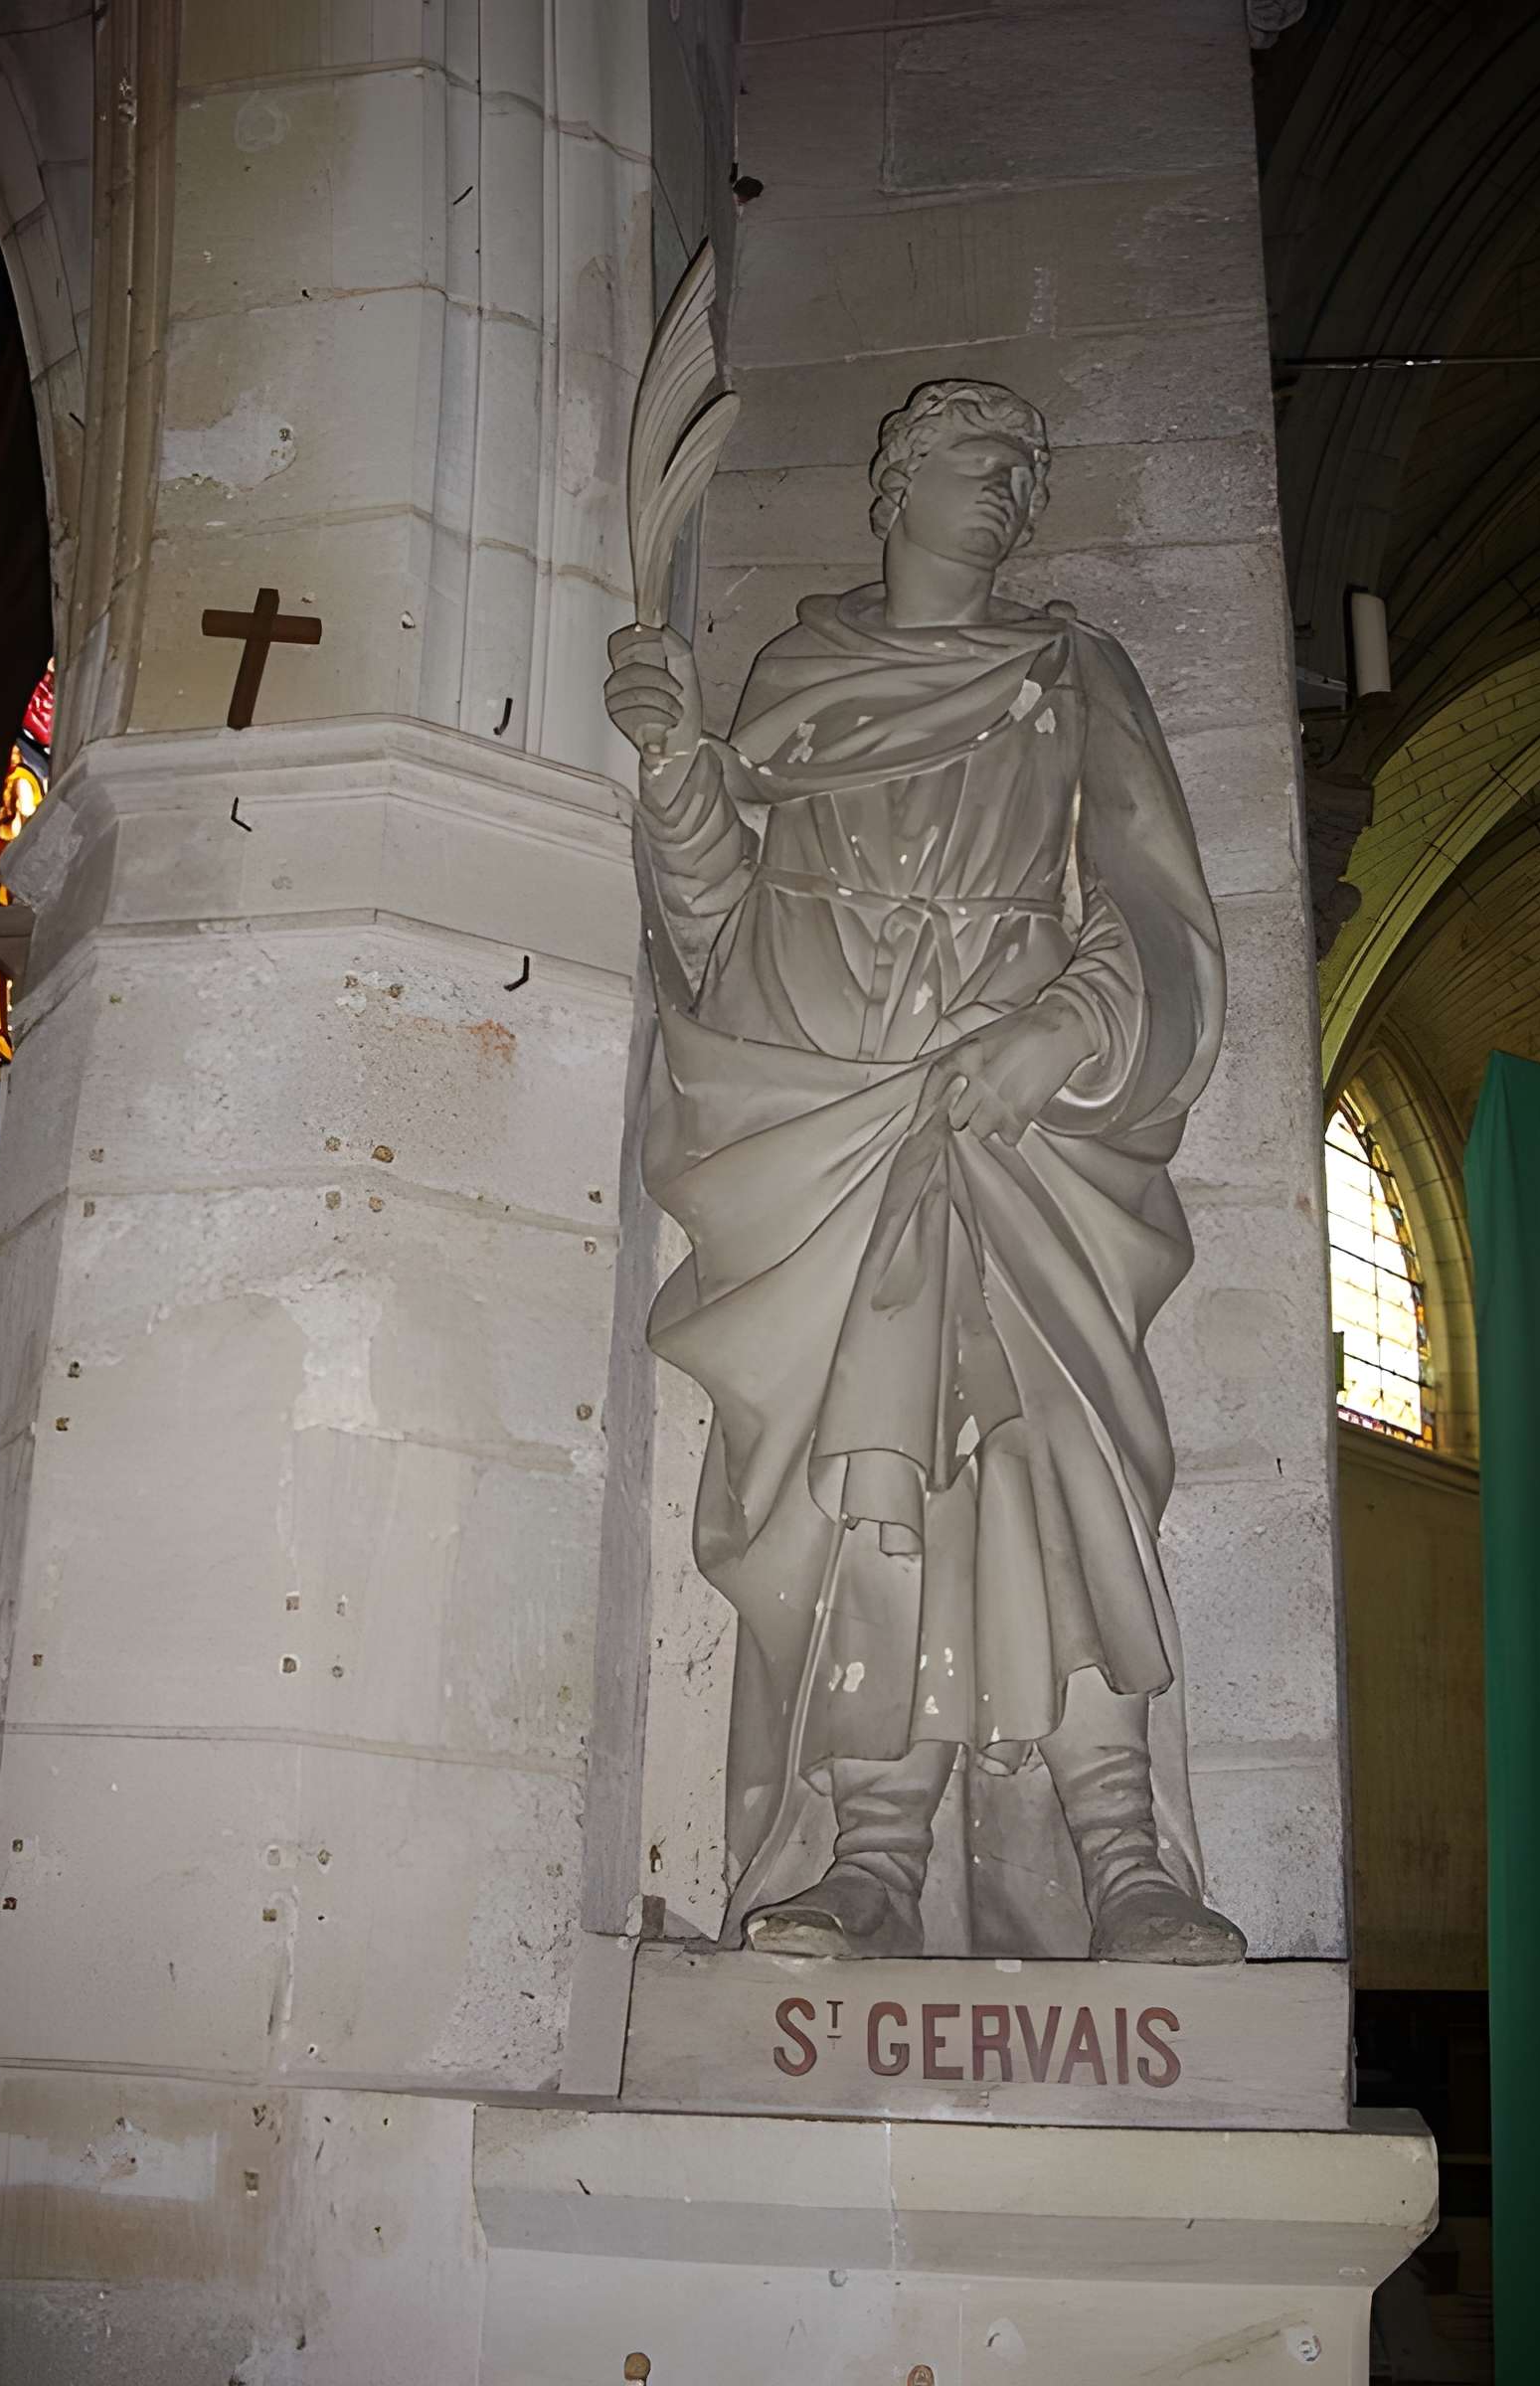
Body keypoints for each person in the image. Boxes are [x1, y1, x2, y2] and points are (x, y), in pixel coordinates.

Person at [603, 380, 1244, 1964]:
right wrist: (678, 772)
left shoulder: (1073, 674)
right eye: (980, 462)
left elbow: (1154, 908)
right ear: (894, 482)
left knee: (1056, 1479)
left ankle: (1125, 1862)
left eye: (1028, 471)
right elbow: (720, 935)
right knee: (863, 1505)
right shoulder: (799, 677)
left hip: (1015, 1137)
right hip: (826, 1138)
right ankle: (872, 1863)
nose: (1011, 491)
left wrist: (1065, 1029)